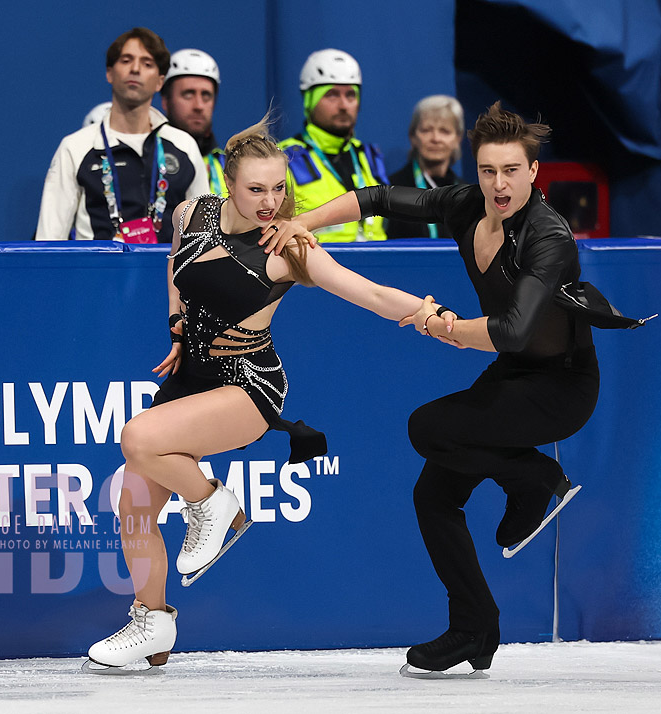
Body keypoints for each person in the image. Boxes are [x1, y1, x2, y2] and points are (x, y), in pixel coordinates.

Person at [83, 117, 444, 672]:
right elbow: (176, 269)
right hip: (191, 378)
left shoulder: (291, 247)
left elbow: (369, 293)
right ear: (228, 184)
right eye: (256, 189)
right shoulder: (191, 213)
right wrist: (178, 328)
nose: (271, 202)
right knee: (133, 502)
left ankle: (212, 504)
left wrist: (428, 315)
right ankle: (152, 622)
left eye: (279, 188)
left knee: (137, 438)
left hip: (248, 386)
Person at [266, 102, 600, 675]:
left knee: (428, 427)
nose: (499, 185)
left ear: (533, 172)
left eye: (511, 171)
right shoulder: (466, 204)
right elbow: (375, 197)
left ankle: (537, 478)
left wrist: (443, 326)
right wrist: (304, 223)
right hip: (515, 375)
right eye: (488, 171)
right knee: (434, 495)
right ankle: (475, 626)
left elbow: (513, 331)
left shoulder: (549, 236)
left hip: (561, 386)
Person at [35, 27, 208, 243]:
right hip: (97, 265)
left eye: (147, 63)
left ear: (159, 82)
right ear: (109, 73)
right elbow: (49, 239)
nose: (135, 69)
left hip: (166, 265)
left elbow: (205, 236)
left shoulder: (184, 146)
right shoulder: (75, 147)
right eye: (126, 60)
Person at [278, 50, 387, 243]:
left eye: (351, 95)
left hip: (377, 257)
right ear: (309, 101)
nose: (344, 105)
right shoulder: (282, 158)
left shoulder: (368, 156)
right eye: (332, 95)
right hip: (316, 259)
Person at [386, 95, 465, 239]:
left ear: (457, 139)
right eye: (426, 130)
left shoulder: (466, 195)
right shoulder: (392, 191)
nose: (435, 138)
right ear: (413, 137)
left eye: (445, 131)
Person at [160, 48, 227, 197]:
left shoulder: (230, 168)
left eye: (206, 95)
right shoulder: (150, 160)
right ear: (165, 101)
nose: (199, 105)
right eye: (188, 94)